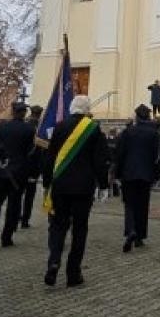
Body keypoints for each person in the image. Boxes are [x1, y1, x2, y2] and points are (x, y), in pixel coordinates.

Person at [42, 95, 110, 287]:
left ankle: (54, 262)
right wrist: (104, 185)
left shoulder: (60, 126)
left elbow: (50, 157)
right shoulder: (93, 129)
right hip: (83, 188)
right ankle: (73, 273)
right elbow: (100, 160)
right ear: (87, 109)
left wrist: (46, 182)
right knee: (79, 230)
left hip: (60, 186)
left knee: (57, 226)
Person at [112, 104, 160, 252]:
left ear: (137, 117)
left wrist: (117, 173)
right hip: (146, 174)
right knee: (142, 205)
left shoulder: (128, 132)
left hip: (129, 174)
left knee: (130, 204)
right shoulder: (154, 134)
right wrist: (155, 174)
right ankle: (139, 237)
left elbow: (120, 154)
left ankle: (131, 230)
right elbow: (156, 156)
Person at [0, 101, 36, 248]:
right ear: (23, 113)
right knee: (13, 205)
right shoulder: (29, 129)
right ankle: (6, 237)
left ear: (13, 112)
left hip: (1, 171)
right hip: (18, 174)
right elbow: (30, 153)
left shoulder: (1, 126)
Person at [20, 105, 44, 228]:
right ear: (39, 114)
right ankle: (25, 219)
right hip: (33, 167)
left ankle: (16, 216)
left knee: (18, 194)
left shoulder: (23, 125)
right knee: (29, 195)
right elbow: (40, 151)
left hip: (20, 165)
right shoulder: (39, 130)